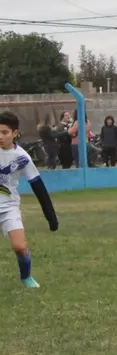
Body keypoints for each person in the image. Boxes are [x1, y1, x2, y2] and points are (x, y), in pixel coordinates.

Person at [0, 112, 59, 288]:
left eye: (5, 132)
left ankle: (26, 277)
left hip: (9, 207)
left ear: (15, 133)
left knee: (19, 247)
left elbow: (38, 186)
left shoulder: (22, 158)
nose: (0, 137)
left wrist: (51, 217)